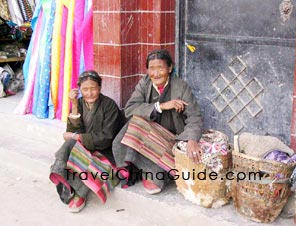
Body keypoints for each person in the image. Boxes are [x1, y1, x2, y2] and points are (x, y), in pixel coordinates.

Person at [112, 49, 203, 194]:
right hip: (147, 133)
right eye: (152, 69)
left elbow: (194, 116)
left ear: (170, 68)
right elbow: (130, 109)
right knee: (134, 124)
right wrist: (160, 106)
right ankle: (133, 167)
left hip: (168, 138)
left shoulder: (181, 86)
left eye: (160, 68)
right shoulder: (145, 83)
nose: (156, 73)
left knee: (139, 129)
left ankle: (152, 173)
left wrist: (192, 139)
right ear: (147, 70)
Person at [49, 70, 124, 212]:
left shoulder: (109, 106)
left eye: (93, 89)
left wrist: (78, 137)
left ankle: (79, 193)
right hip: (86, 147)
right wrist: (74, 105)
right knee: (70, 145)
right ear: (80, 90)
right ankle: (64, 176)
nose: (89, 93)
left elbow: (106, 138)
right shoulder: (79, 103)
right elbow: (72, 130)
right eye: (85, 89)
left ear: (100, 88)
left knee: (73, 145)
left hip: (105, 152)